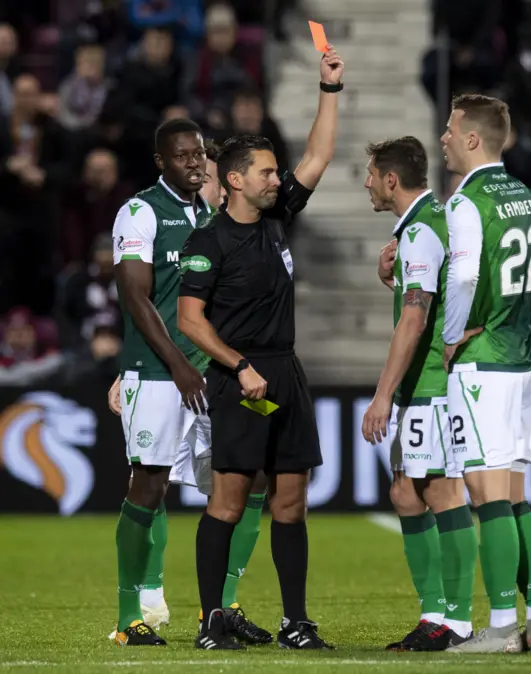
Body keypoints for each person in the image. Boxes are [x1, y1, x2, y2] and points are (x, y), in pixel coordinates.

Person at [177, 45, 344, 651]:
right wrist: (239, 367)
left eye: (278, 171)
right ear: (235, 179)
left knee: (292, 500)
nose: (279, 179)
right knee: (228, 499)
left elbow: (321, 154)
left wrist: (329, 90)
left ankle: (295, 622)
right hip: (240, 379)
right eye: (267, 172)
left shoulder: (277, 221)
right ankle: (211, 618)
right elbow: (191, 319)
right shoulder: (209, 241)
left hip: (284, 373)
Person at [110, 121, 269, 647]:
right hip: (160, 376)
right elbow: (136, 297)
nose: (195, 163)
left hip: (211, 376)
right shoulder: (139, 212)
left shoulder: (208, 215)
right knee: (149, 485)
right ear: (162, 162)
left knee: (247, 480)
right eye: (183, 156)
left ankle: (221, 607)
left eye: (200, 154)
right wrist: (178, 365)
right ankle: (130, 614)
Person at [439, 93, 531, 653]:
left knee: (488, 496)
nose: (444, 136)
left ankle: (500, 627)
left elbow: (467, 276)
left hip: (485, 367)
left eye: (451, 129)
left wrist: (453, 337)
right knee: (516, 497)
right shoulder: (523, 193)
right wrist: (521, 319)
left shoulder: (466, 201)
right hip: (525, 360)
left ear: (474, 139)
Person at [361, 136, 481, 651]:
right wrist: (390, 281)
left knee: (439, 493)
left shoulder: (420, 234)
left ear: (392, 179)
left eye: (371, 174)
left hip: (432, 384)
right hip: (426, 383)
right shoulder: (429, 223)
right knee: (406, 493)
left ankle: (455, 621)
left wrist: (382, 395)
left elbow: (415, 319)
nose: (366, 183)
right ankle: (435, 612)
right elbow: (425, 300)